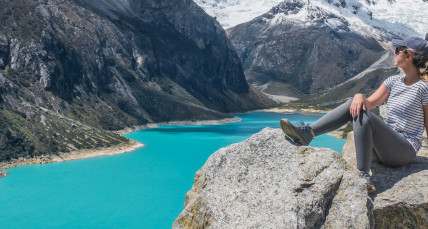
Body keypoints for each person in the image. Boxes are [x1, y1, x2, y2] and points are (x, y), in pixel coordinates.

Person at [280, 36, 428, 193]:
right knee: (355, 103)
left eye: (398, 49)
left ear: (408, 56)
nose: (395, 52)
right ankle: (308, 132)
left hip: (404, 150)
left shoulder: (423, 89)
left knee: (363, 114)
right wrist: (358, 96)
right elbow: (369, 103)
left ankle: (362, 175)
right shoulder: (392, 81)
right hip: (385, 147)